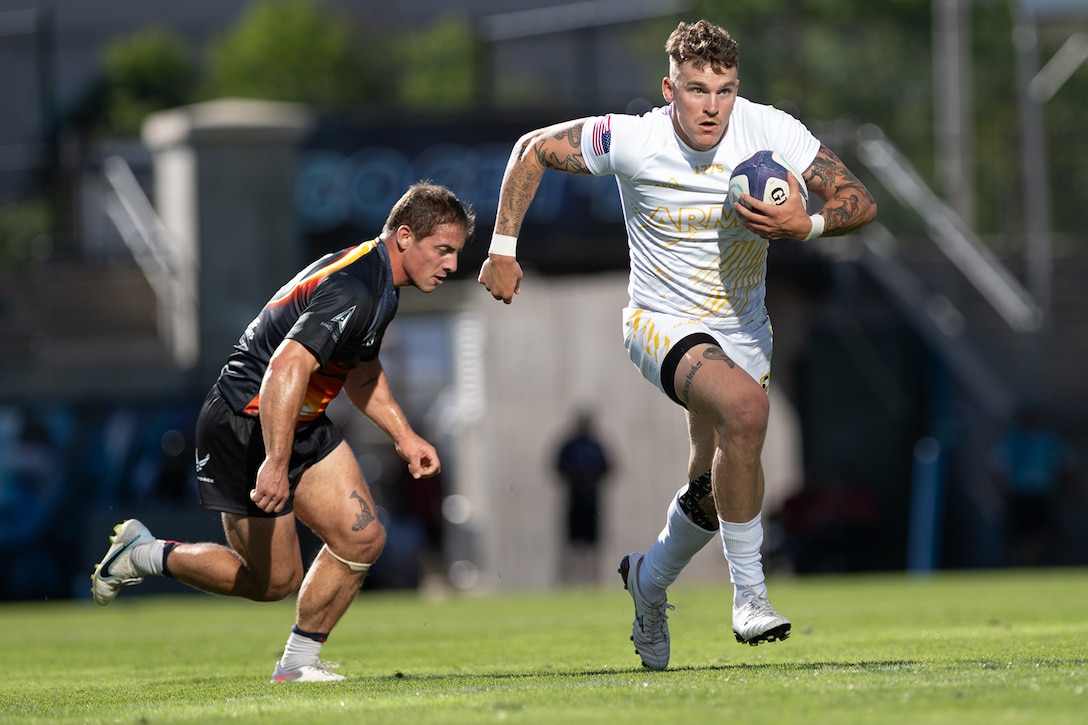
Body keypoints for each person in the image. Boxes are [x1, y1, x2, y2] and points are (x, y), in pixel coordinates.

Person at [478, 19, 876, 670]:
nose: (712, 105)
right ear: (669, 89)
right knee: (746, 412)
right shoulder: (631, 139)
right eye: (697, 89)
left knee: (710, 492)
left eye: (724, 89)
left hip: (744, 331)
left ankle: (648, 580)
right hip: (659, 323)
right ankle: (749, 598)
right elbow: (532, 149)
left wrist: (806, 223)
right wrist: (501, 247)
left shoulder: (769, 130)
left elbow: (859, 200)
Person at [92, 181, 475, 683]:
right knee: (272, 581)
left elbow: (360, 371)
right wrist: (274, 462)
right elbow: (283, 369)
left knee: (362, 539)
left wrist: (404, 435)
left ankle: (297, 666)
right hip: (246, 423)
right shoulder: (357, 285)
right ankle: (142, 554)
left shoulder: (382, 284)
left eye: (455, 253)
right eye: (443, 250)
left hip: (300, 420)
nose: (450, 265)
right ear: (405, 237)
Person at [988, 405, 1076, 567]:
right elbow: (998, 469)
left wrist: (1071, 490)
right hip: (1020, 495)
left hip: (1042, 494)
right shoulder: (1013, 440)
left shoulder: (1051, 439)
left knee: (1045, 533)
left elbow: (1065, 466)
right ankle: (1023, 565)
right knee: (1020, 535)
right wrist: (1002, 493)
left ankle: (1027, 562)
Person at [554, 410, 612, 585]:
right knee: (572, 544)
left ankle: (593, 582)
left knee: (593, 544)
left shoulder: (596, 446)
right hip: (574, 500)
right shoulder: (570, 446)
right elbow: (558, 466)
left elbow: (609, 467)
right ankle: (570, 583)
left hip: (593, 500)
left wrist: (591, 479)